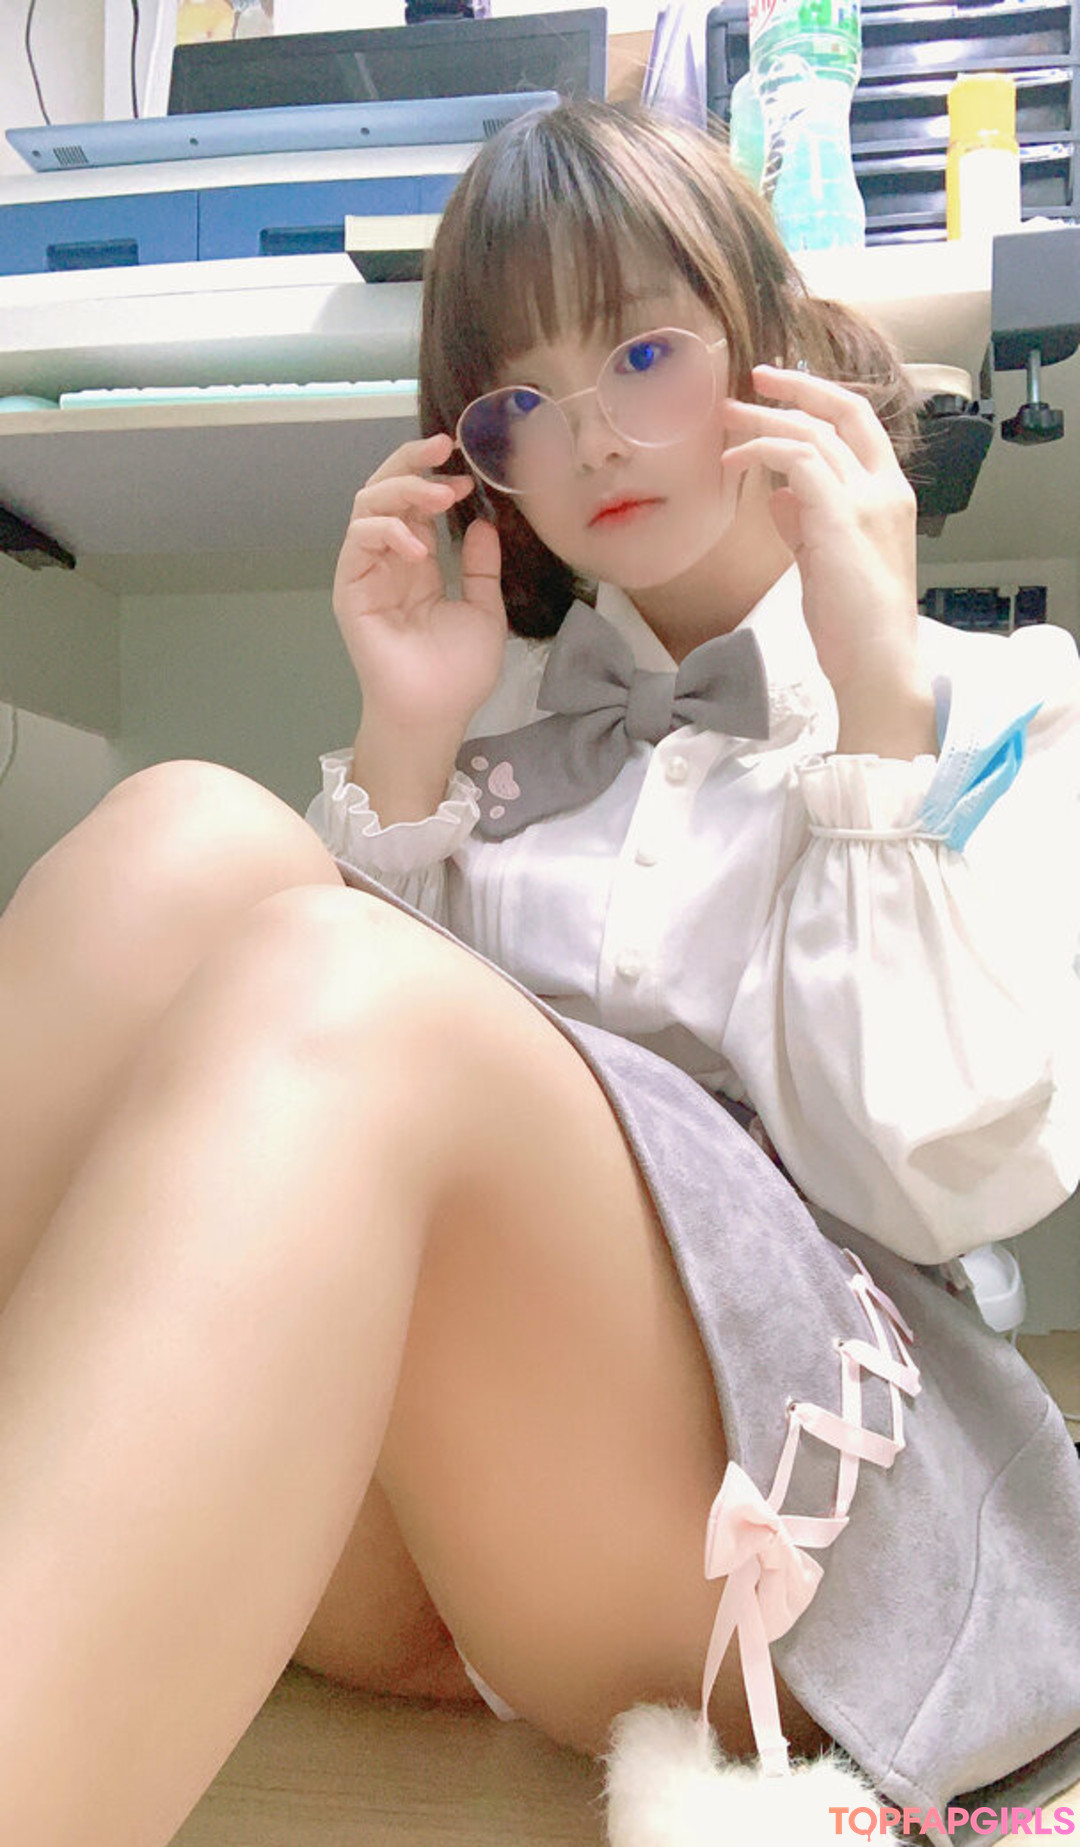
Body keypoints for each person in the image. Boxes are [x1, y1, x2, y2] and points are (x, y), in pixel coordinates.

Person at [0, 99, 1076, 1847]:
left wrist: (877, 715)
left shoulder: (1002, 700)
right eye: (519, 403)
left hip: (793, 1543)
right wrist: (410, 743)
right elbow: (305, 1167)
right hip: (453, 1565)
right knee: (186, 834)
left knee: (345, 982)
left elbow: (935, 1181)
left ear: (772, 341)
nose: (589, 442)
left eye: (643, 352)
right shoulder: (509, 753)